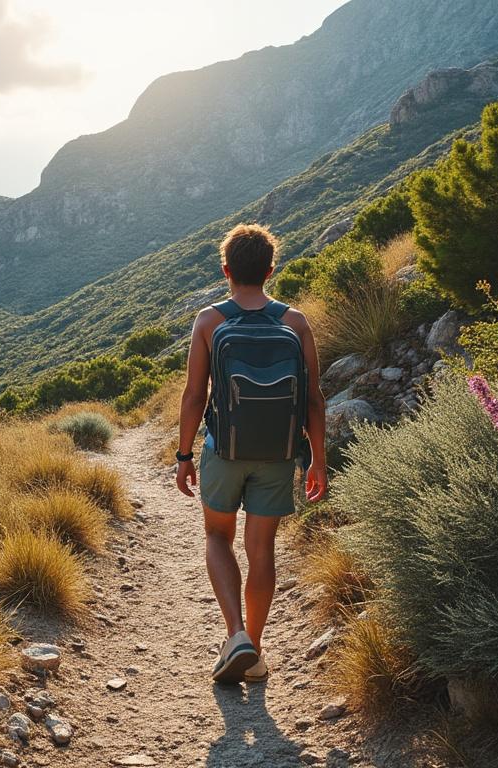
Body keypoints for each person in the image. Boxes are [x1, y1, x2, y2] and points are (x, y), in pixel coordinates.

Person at [174, 223, 327, 684]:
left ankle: (235, 634)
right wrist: (317, 459)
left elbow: (193, 395)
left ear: (226, 271)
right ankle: (254, 651)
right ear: (270, 269)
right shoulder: (295, 322)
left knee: (218, 538)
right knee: (261, 549)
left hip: (225, 451)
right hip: (279, 455)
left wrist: (184, 456)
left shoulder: (209, 320)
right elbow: (315, 398)